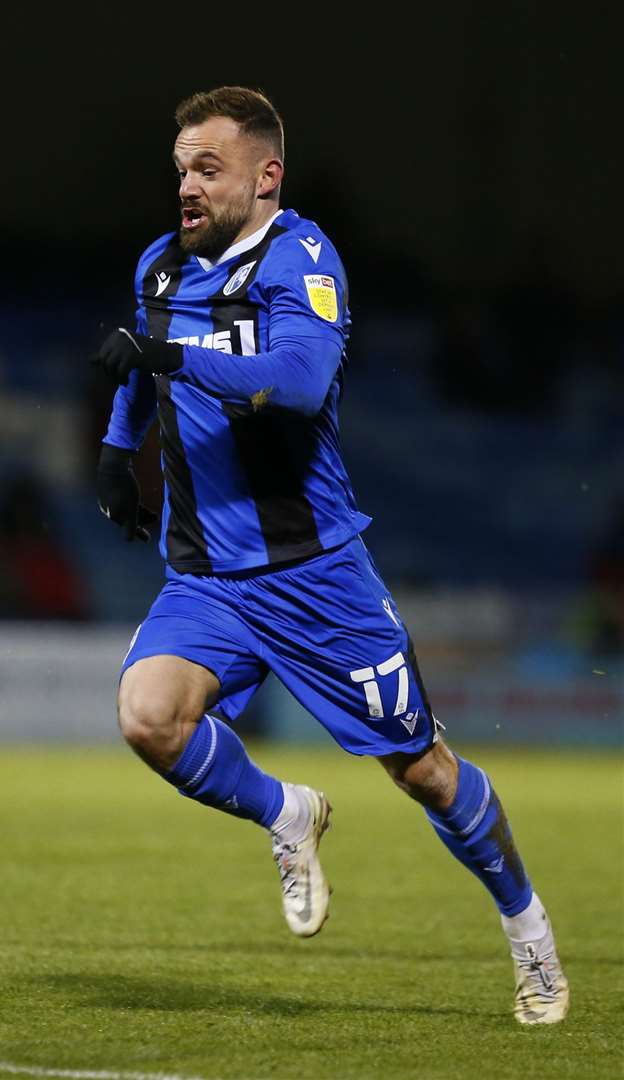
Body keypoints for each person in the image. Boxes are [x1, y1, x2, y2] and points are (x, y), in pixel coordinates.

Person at [90, 86, 568, 1025]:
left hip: (316, 577)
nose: (186, 185)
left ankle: (529, 931)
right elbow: (136, 365)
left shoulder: (301, 258)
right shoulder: (160, 266)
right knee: (149, 718)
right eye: (180, 167)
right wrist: (117, 450)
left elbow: (299, 384)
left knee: (423, 770)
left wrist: (168, 361)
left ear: (266, 177)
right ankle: (287, 813)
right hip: (209, 578)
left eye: (208, 168)